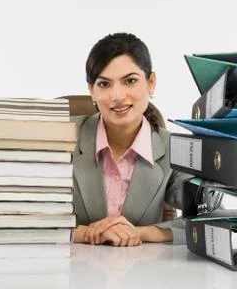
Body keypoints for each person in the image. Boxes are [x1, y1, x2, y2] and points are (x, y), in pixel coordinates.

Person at [72, 32, 189, 246]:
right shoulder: (61, 139)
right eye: (104, 84)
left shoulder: (177, 149)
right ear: (92, 91)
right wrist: (86, 234)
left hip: (142, 273)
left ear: (151, 83)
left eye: (130, 81)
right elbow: (16, 216)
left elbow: (212, 217)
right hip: (66, 270)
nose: (117, 95)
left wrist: (141, 232)